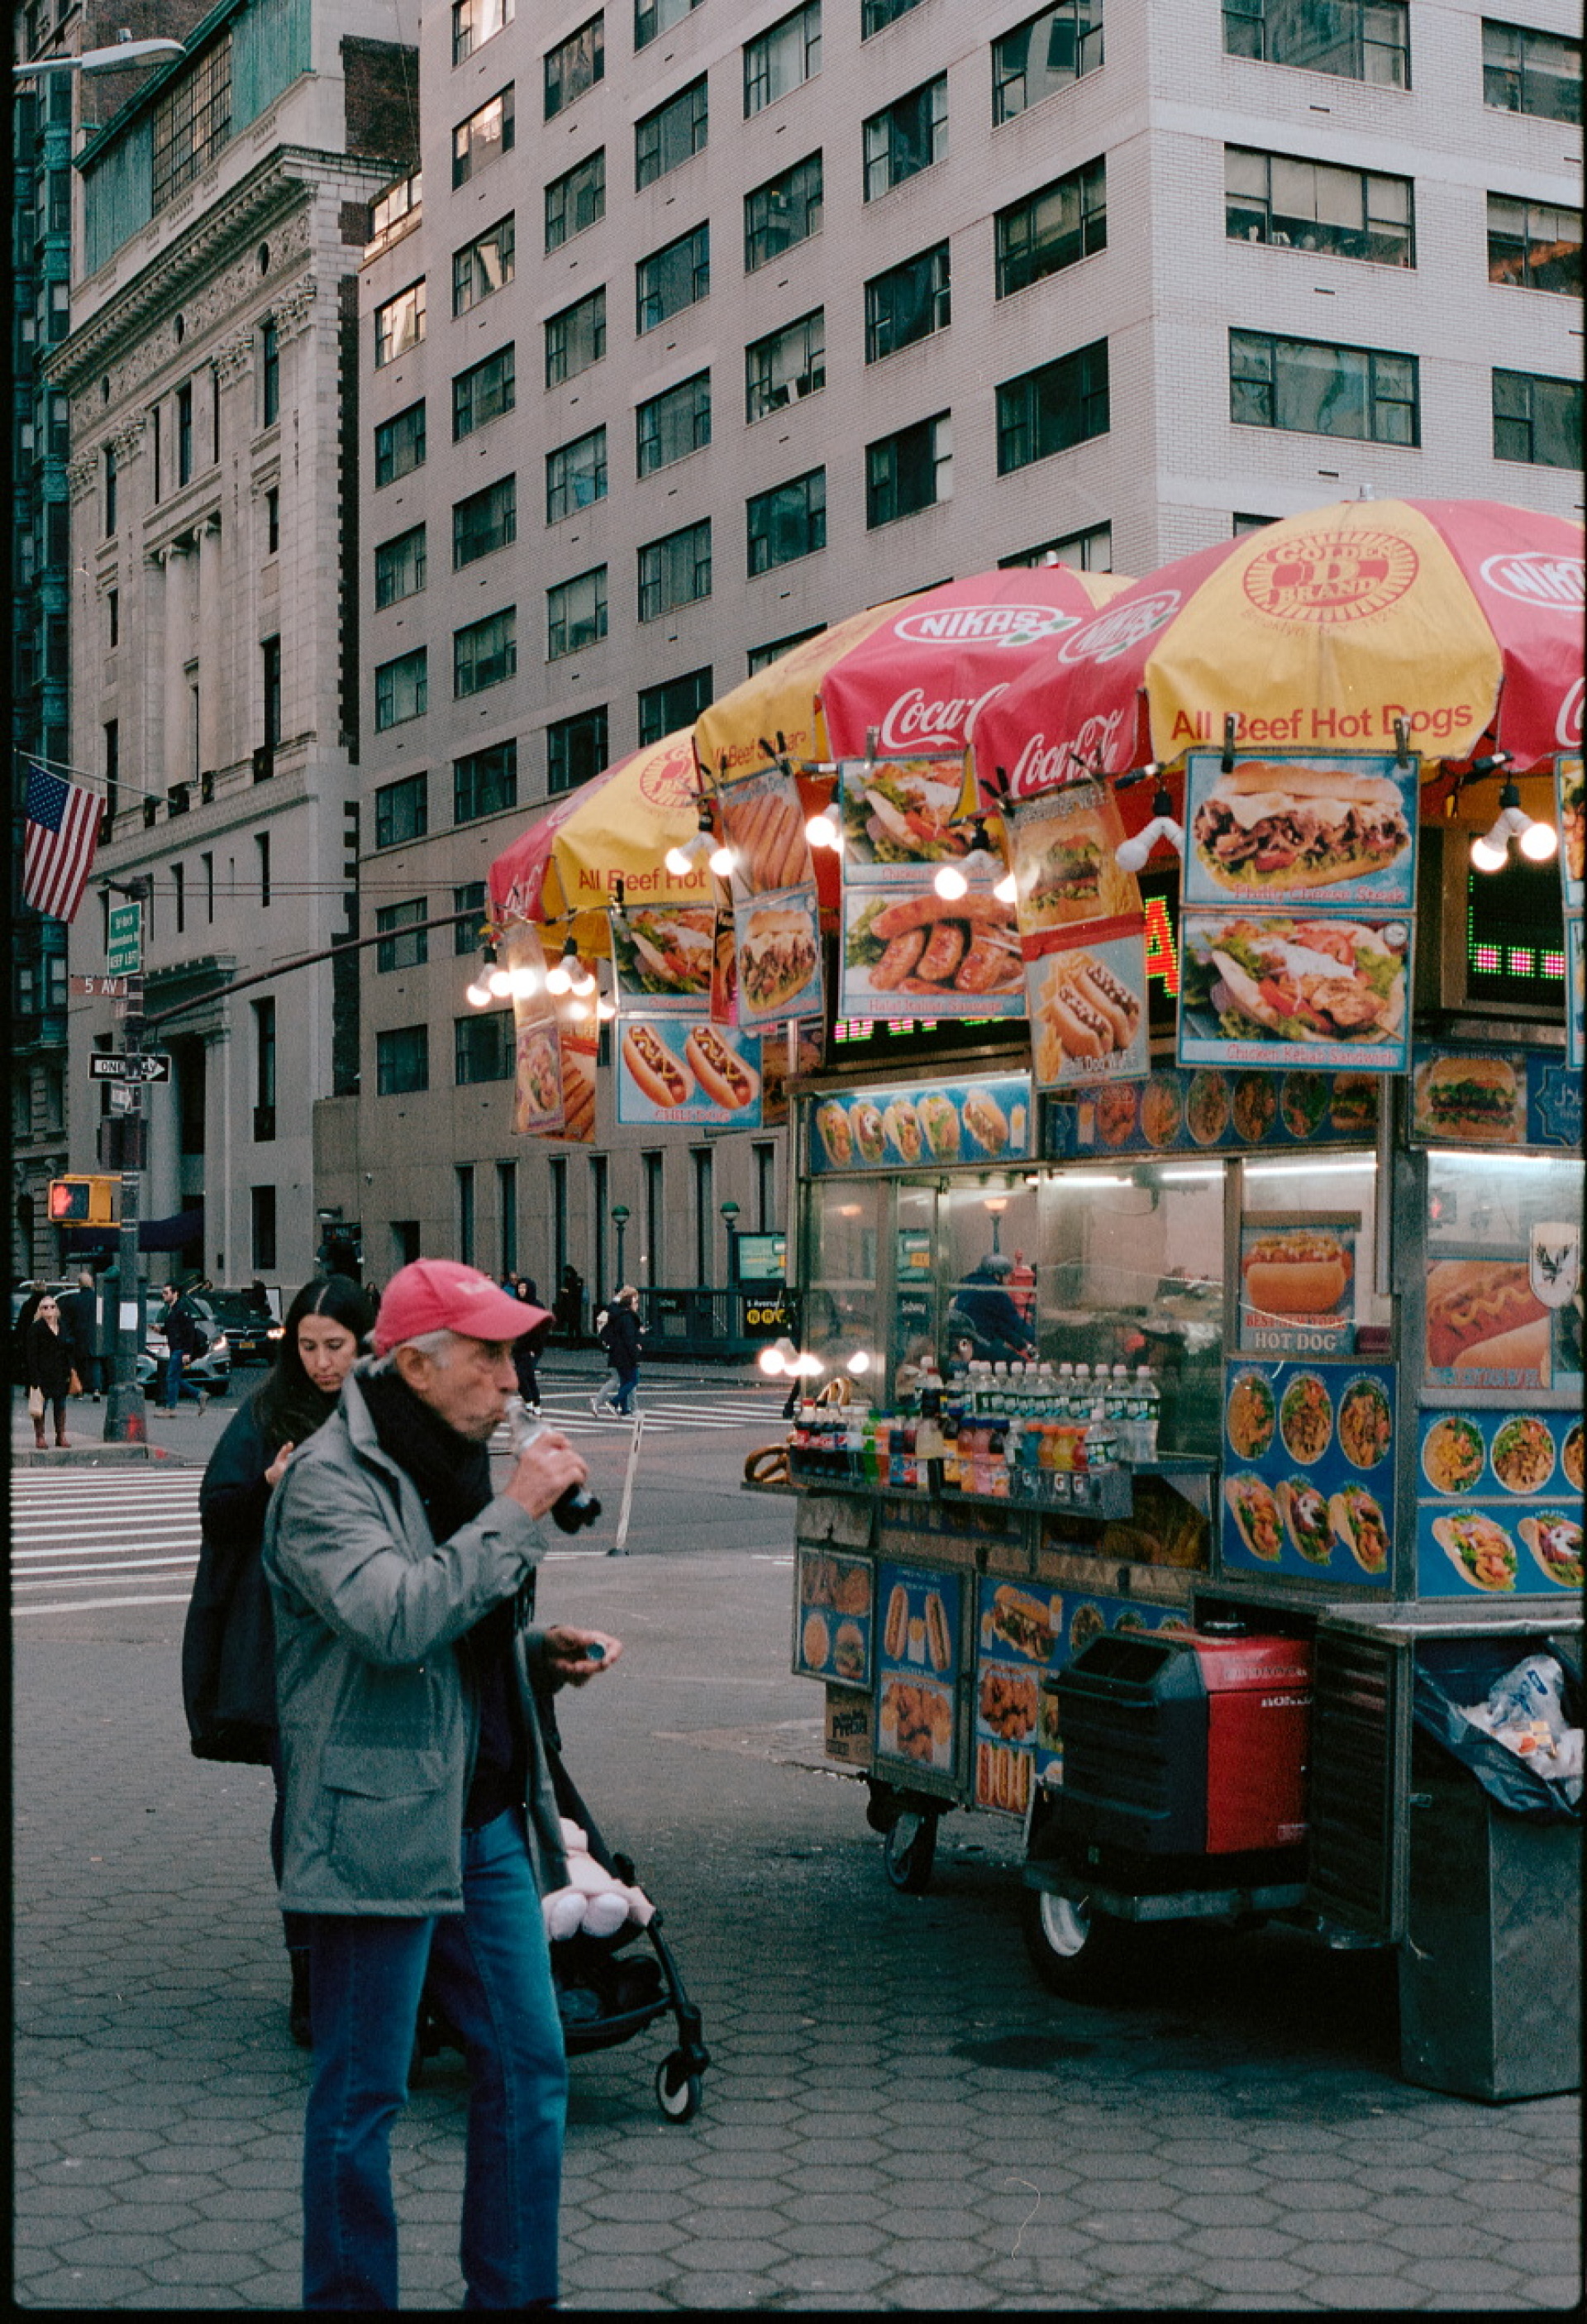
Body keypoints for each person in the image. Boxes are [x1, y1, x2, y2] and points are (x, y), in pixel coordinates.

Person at [263, 1257, 622, 2312]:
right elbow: (396, 1621)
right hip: (378, 1824)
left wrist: (530, 1651)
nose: (513, 1381)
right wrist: (517, 1509)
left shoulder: (455, 1462)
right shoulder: (330, 1481)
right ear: (416, 1367)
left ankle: (513, 2298)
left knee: (528, 2068)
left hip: (484, 1819)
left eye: (515, 1354)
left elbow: (453, 1631)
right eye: (490, 1355)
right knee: (363, 2093)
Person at [182, 1275, 375, 2047]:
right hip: (282, 1643)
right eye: (308, 1346)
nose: (323, 1362)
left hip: (368, 1639)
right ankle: (309, 1972)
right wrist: (268, 1482)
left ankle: (377, 1964)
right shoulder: (265, 1412)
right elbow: (216, 1509)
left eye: (337, 1346)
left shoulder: (388, 1409)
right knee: (300, 1803)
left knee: (363, 1803)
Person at [947, 1253, 1037, 1364]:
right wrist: (1038, 1339)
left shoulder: (970, 1284)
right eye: (1007, 1275)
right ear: (997, 1275)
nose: (1009, 1280)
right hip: (978, 1343)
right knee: (1018, 1364)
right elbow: (1016, 1323)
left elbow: (999, 1326)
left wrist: (1022, 1345)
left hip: (962, 1343)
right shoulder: (994, 1291)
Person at [26, 1294, 75, 1448]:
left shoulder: (62, 1326)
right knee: (41, 1407)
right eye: (45, 1307)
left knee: (60, 1405)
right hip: (42, 1373)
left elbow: (69, 1348)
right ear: (40, 1310)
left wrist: (71, 1369)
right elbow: (31, 1355)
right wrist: (34, 1378)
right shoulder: (36, 1328)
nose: (49, 1309)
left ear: (57, 1309)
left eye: (52, 1306)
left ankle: (60, 1435)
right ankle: (40, 1437)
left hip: (60, 1372)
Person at [593, 1285, 642, 1417]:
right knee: (633, 1380)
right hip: (625, 1354)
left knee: (624, 1380)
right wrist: (635, 1354)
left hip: (617, 1353)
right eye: (636, 1301)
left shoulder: (618, 1314)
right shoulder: (628, 1317)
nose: (637, 1305)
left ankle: (625, 1409)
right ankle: (614, 1402)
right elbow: (629, 1339)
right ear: (630, 1301)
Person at [159, 1282, 208, 1410]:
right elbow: (173, 1329)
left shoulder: (182, 1309)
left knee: (171, 1377)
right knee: (173, 1377)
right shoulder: (172, 1309)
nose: (163, 1295)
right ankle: (198, 1394)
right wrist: (160, 1330)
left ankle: (171, 1408)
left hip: (180, 1349)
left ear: (175, 1294)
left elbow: (189, 1332)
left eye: (166, 1292)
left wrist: (187, 1352)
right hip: (176, 1347)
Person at [64, 1271, 102, 1400]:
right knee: (95, 1362)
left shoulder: (74, 1300)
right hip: (96, 1336)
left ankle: (79, 1391)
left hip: (78, 1336)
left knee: (79, 1363)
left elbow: (67, 1320)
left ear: (79, 1284)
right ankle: (96, 1389)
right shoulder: (98, 1300)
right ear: (91, 1283)